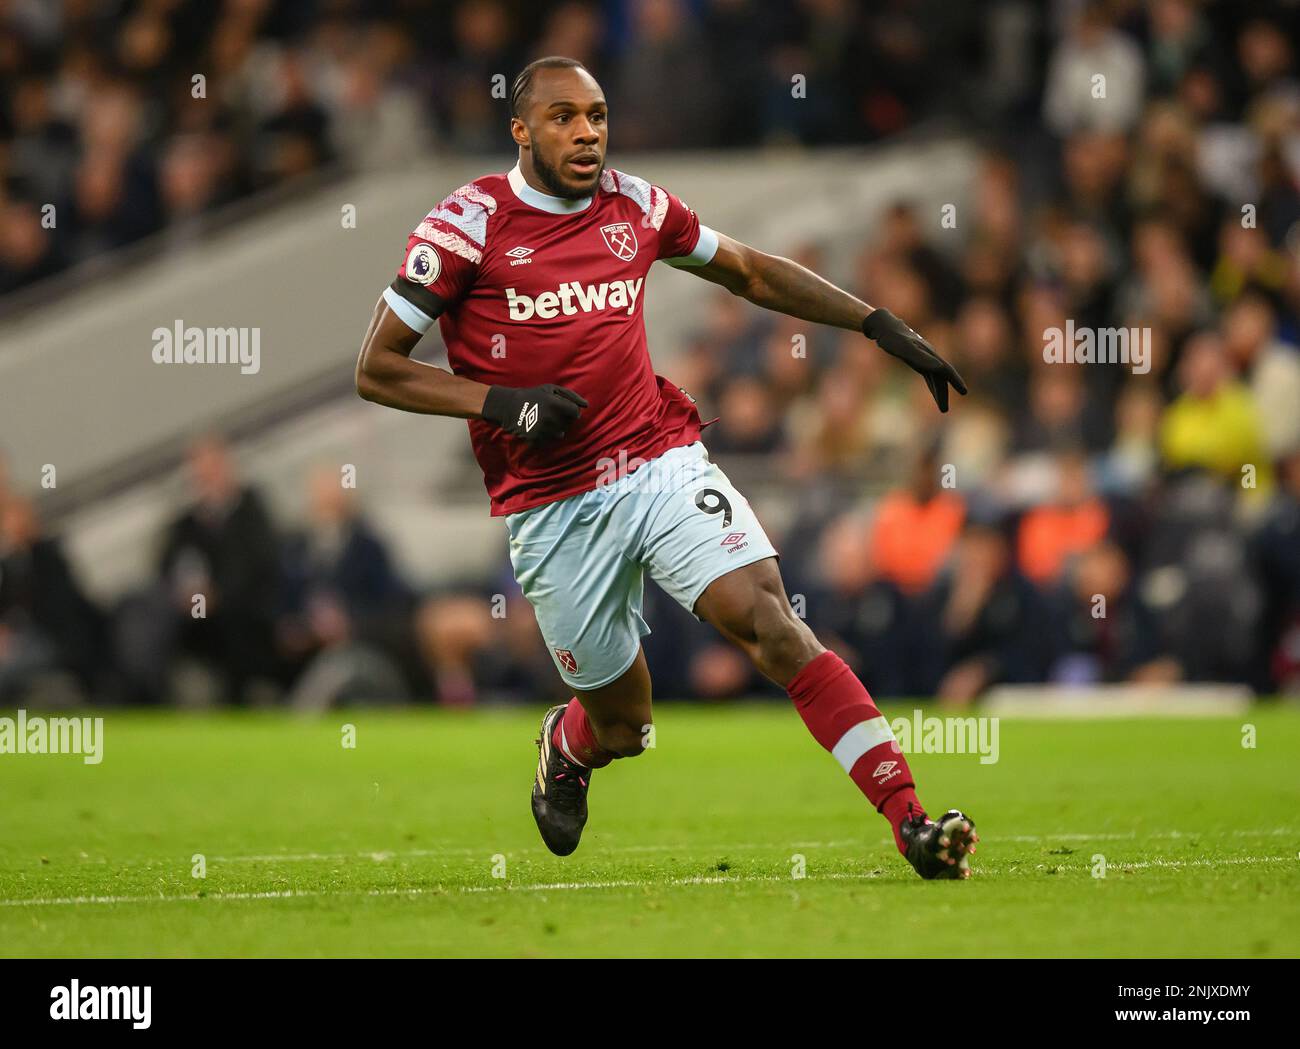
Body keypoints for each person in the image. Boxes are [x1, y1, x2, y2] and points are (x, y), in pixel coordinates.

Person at [354, 57, 977, 879]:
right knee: (627, 726)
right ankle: (568, 741)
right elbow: (377, 366)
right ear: (521, 130)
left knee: (770, 623)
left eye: (598, 116)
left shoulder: (636, 207)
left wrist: (872, 320)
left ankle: (912, 822)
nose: (586, 133)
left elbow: (750, 271)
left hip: (659, 459)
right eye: (564, 118)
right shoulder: (466, 224)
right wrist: (501, 403)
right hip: (552, 504)